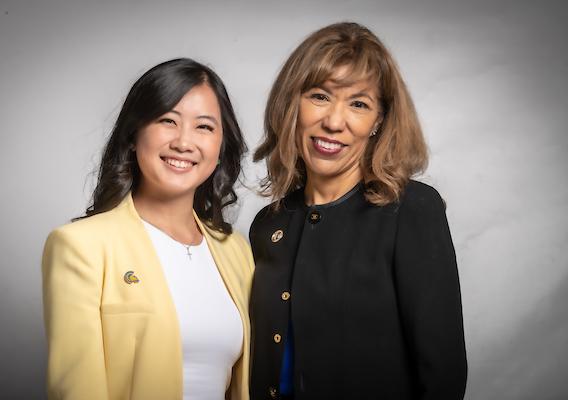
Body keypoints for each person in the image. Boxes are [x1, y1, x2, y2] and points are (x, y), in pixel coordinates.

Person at [249, 22, 467, 399]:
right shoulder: (268, 226)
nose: (334, 122)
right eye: (319, 96)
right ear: (291, 103)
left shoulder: (411, 210)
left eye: (359, 104)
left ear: (379, 120)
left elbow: (442, 375)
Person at [42, 58, 254, 400]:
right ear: (133, 135)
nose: (184, 142)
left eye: (204, 127)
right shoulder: (80, 246)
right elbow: (76, 390)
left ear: (221, 146)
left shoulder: (236, 250)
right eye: (167, 120)